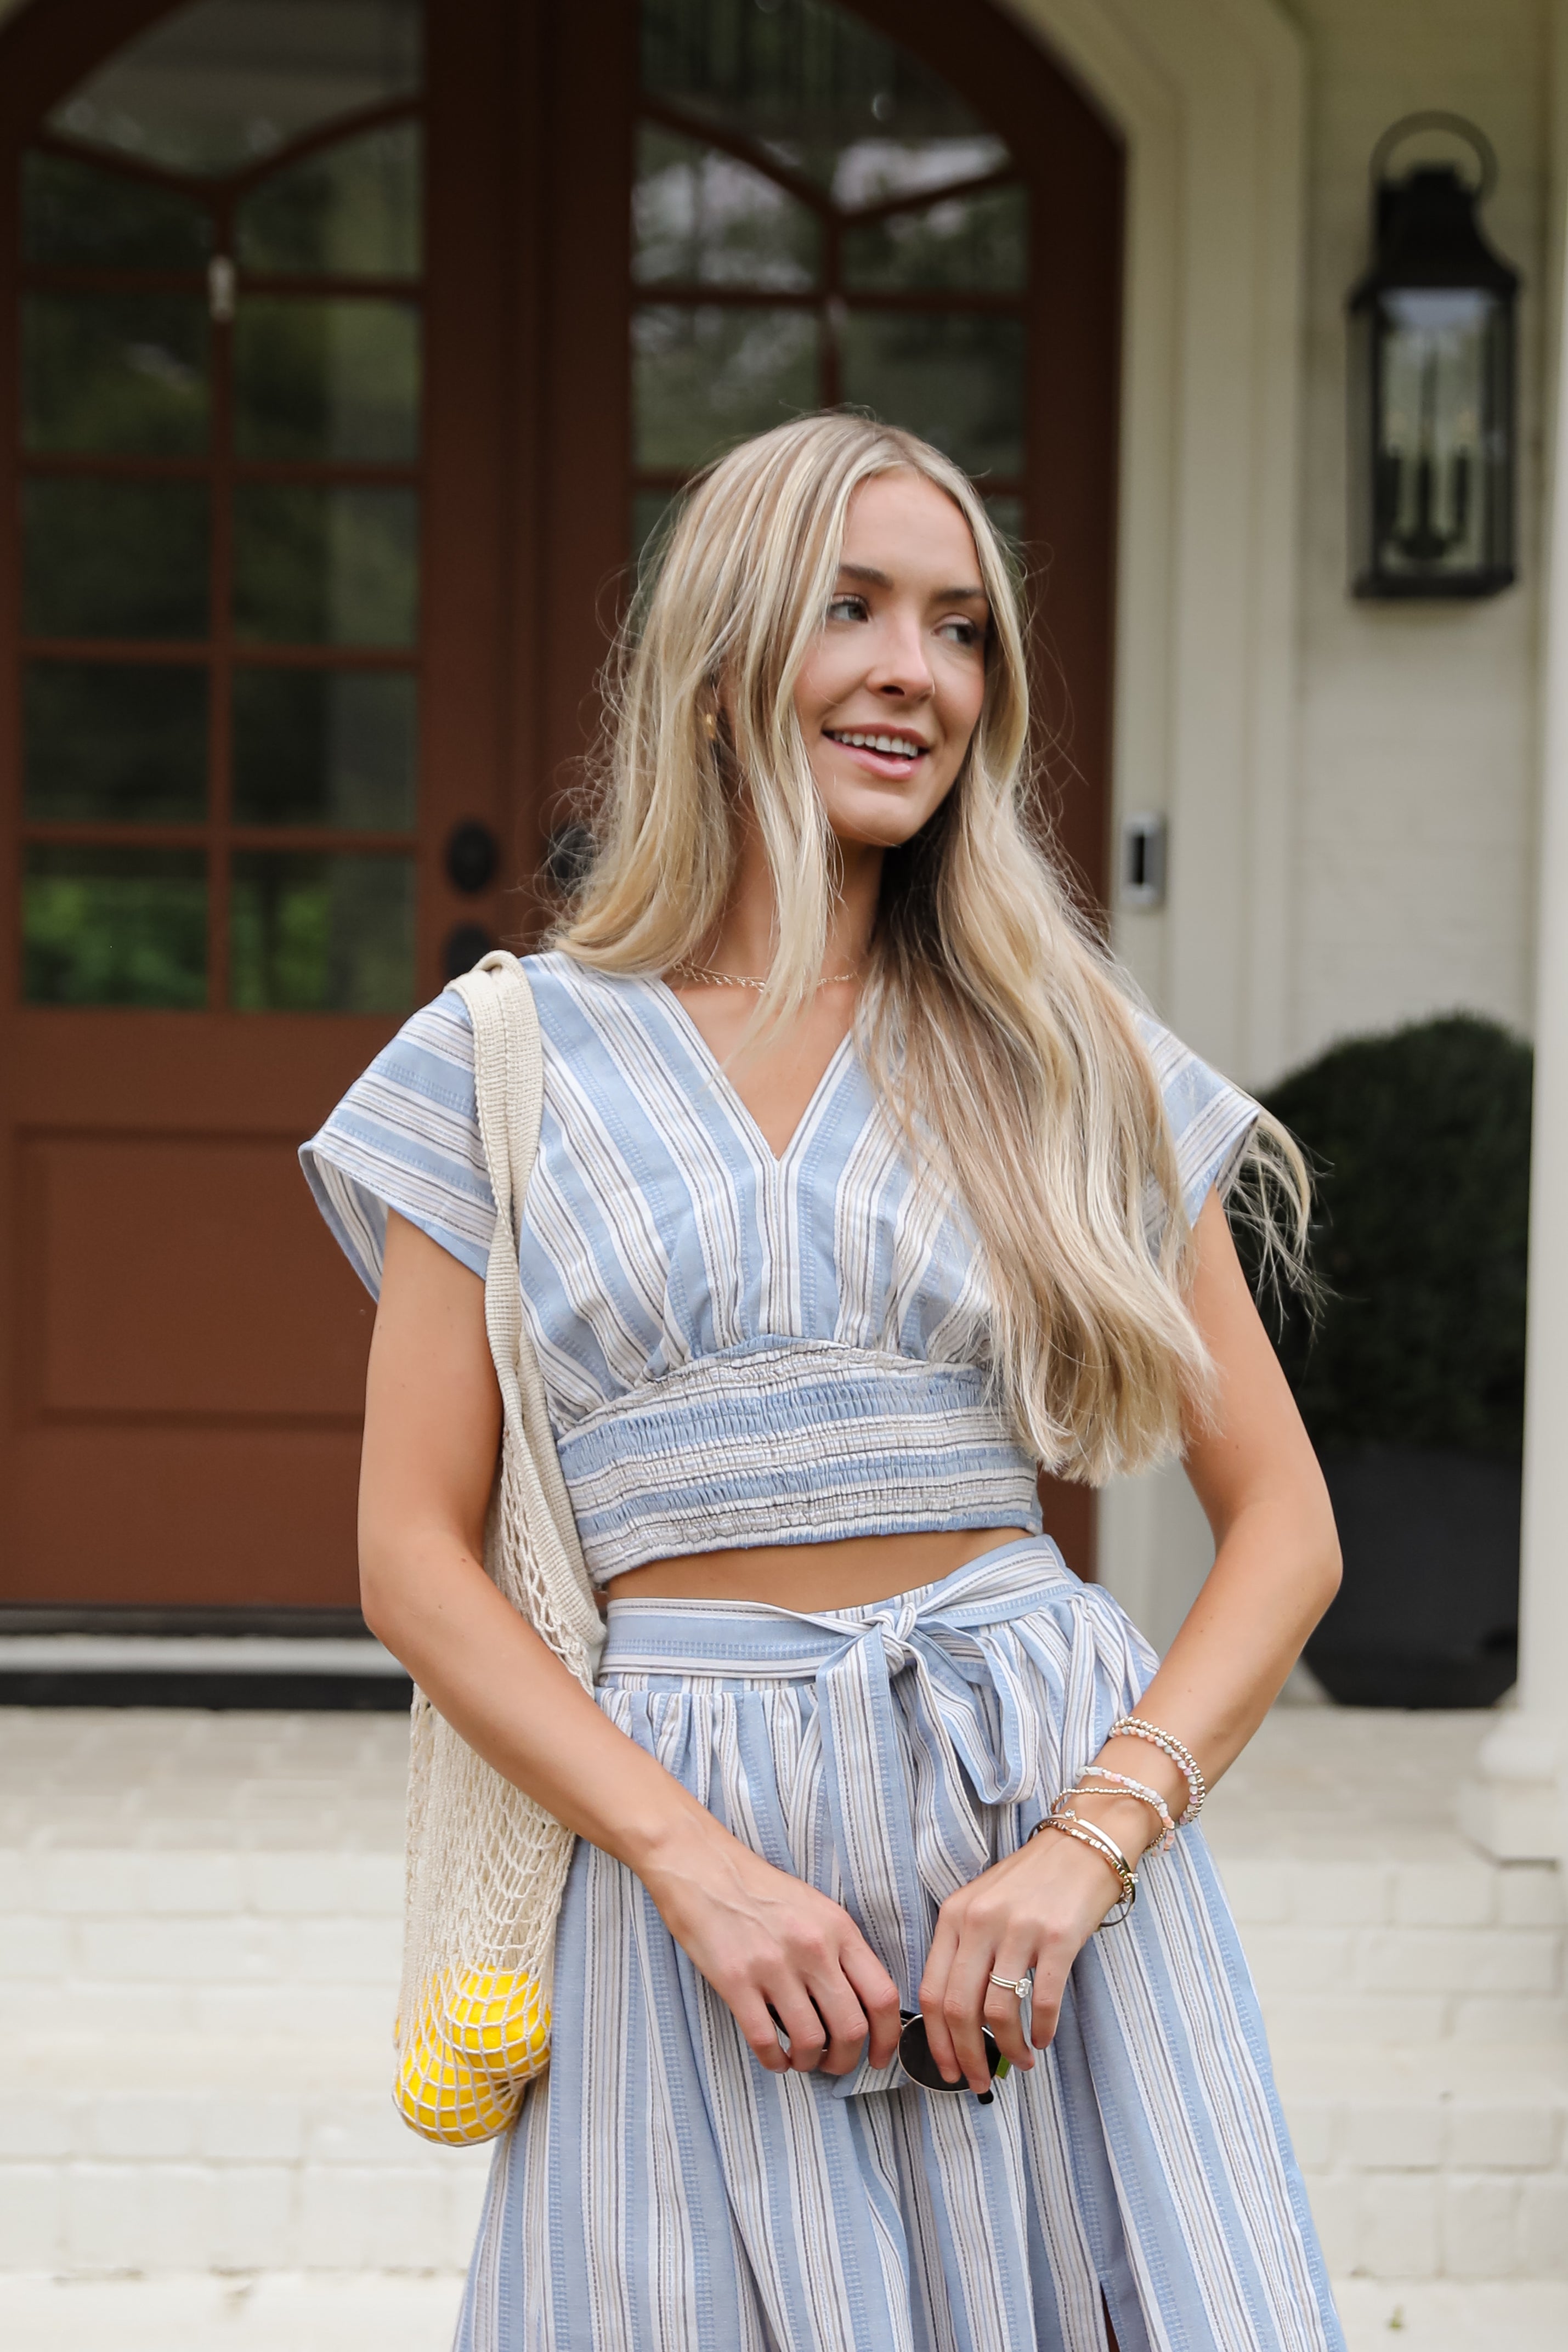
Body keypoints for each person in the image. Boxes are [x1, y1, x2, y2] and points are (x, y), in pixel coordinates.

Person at [303, 414, 1344, 2352]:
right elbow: (409, 1562)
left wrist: (1083, 1846)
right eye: (851, 609)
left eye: (958, 631)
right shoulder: (497, 1059)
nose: (913, 671)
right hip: (678, 1844)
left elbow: (1283, 1530)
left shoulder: (1061, 1046)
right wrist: (699, 1875)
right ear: (716, 666)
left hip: (1025, 1816)